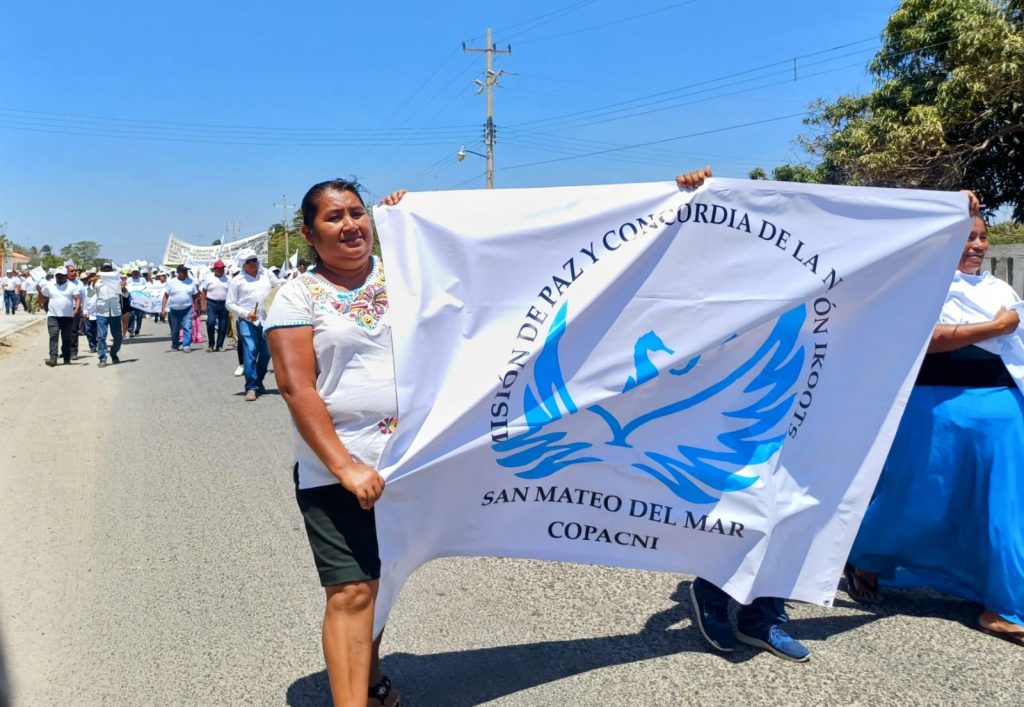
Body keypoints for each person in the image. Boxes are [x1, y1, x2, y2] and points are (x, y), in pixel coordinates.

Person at [846, 202, 1024, 647]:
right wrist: (994, 327)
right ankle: (867, 558)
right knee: (913, 497)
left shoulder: (999, 288)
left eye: (982, 236)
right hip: (933, 409)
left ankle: (1004, 605)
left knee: (1000, 509)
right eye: (968, 237)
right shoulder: (923, 285)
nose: (978, 245)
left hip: (1000, 413)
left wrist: (1003, 326)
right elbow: (927, 340)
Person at [266, 180, 405, 707]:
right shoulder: (297, 295)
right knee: (351, 590)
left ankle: (370, 680)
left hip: (408, 462)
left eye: (357, 213)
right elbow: (296, 388)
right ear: (308, 233)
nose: (350, 225)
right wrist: (345, 466)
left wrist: (415, 219)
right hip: (336, 470)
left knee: (383, 580)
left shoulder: (407, 275)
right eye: (333, 217)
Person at [669, 165, 812, 662]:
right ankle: (712, 591)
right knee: (734, 502)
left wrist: (950, 212)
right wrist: (694, 197)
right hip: (721, 411)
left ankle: (763, 614)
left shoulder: (807, 275)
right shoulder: (714, 280)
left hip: (794, 407)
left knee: (786, 507)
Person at [227, 249, 280, 401]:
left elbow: (280, 287)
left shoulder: (267, 275)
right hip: (247, 321)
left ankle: (259, 380)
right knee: (250, 350)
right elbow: (229, 303)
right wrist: (245, 313)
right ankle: (251, 387)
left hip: (267, 319)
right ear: (242, 264)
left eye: (254, 260)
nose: (252, 263)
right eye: (248, 261)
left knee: (266, 352)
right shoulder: (237, 281)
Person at [38, 266, 80, 366]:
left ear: (66, 276)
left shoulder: (72, 286)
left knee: (66, 338)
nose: (60, 277)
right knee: (53, 336)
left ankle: (66, 358)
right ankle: (53, 358)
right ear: (55, 276)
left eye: (62, 275)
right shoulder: (50, 285)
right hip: (53, 316)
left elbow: (77, 298)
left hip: (67, 317)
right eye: (58, 275)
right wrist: (39, 291)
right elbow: (43, 299)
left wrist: (77, 309)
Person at [161, 264, 199, 352]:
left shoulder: (191, 282)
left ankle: (186, 345)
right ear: (178, 272)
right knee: (175, 329)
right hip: (174, 310)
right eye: (183, 271)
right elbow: (166, 296)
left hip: (187, 309)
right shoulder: (171, 283)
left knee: (187, 327)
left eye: (186, 271)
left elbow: (195, 296)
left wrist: (196, 309)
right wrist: (163, 309)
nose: (185, 273)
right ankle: (175, 344)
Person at [93, 264, 123, 367]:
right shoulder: (97, 282)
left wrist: (124, 288)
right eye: (104, 271)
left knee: (118, 337)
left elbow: (125, 295)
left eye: (108, 270)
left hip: (115, 312)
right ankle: (102, 358)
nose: (107, 272)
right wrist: (94, 282)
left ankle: (113, 353)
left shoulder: (118, 282)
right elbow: (91, 293)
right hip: (102, 312)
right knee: (101, 336)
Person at [201, 260, 230, 352]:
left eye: (222, 268)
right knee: (210, 322)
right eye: (219, 268)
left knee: (223, 325)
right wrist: (203, 304)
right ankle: (211, 344)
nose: (221, 270)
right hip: (211, 303)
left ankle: (219, 345)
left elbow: (232, 292)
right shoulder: (209, 278)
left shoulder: (228, 279)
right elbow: (204, 292)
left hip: (224, 304)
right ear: (215, 269)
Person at [65, 262, 86, 360]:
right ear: (67, 272)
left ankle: (73, 352)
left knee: (73, 331)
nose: (74, 272)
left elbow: (83, 298)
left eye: (75, 271)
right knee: (65, 332)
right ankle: (65, 350)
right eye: (72, 271)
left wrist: (84, 311)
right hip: (64, 311)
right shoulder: (63, 282)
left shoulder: (79, 284)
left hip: (75, 310)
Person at [126, 267, 148, 337]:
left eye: (136, 272)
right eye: (134, 272)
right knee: (131, 315)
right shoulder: (129, 280)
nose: (135, 273)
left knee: (139, 316)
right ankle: (131, 330)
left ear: (139, 273)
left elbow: (147, 288)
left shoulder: (142, 279)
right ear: (132, 273)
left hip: (140, 300)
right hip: (131, 300)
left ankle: (137, 330)